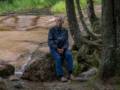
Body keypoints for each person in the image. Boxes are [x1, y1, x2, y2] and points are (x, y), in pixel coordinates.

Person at [48, 16, 74, 82]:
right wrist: (57, 49)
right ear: (55, 22)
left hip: (63, 48)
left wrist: (63, 48)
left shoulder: (65, 31)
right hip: (54, 49)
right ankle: (61, 76)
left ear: (62, 22)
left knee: (69, 55)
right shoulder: (51, 30)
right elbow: (50, 42)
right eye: (58, 21)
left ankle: (70, 73)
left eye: (60, 21)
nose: (59, 22)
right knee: (58, 58)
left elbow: (66, 42)